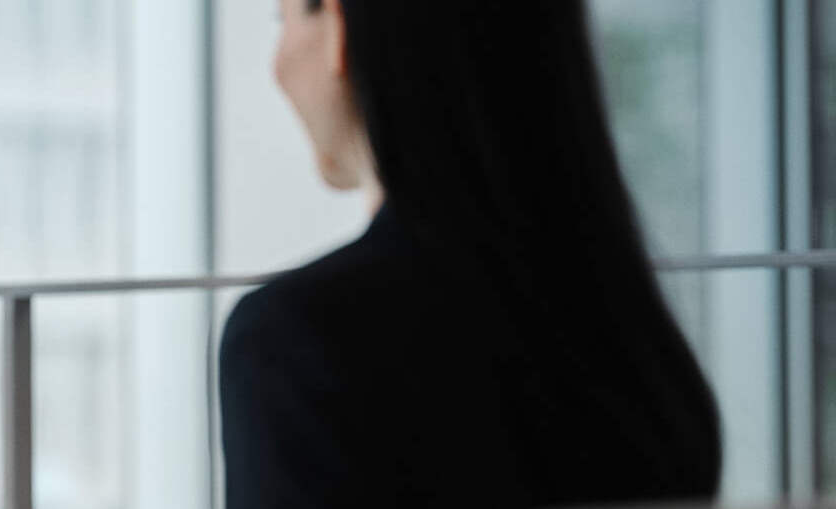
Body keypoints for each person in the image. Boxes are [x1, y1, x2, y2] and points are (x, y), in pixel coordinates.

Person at [219, 1, 722, 507]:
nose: (277, 65)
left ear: (337, 30)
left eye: (282, 19)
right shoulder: (636, 351)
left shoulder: (295, 343)